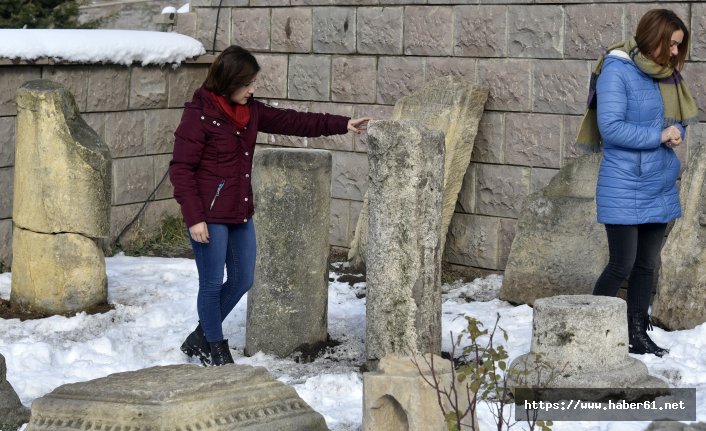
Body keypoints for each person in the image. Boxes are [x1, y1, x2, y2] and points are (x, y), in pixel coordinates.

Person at [169, 45, 371, 366]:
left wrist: (343, 123)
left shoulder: (251, 111)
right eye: (247, 83)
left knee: (242, 279)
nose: (253, 89)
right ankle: (215, 348)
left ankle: (199, 337)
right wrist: (194, 218)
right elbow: (181, 169)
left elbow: (295, 122)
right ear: (229, 81)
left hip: (239, 211)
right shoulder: (199, 115)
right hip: (207, 215)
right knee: (210, 284)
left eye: (254, 83)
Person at [576, 9, 698, 357]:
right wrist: (660, 135)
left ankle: (636, 334)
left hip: (657, 181)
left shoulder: (665, 74)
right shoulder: (616, 71)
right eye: (672, 45)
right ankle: (587, 329)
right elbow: (610, 128)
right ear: (654, 38)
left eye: (679, 47)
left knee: (647, 264)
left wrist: (676, 134)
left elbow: (676, 120)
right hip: (624, 182)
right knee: (621, 264)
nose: (675, 54)